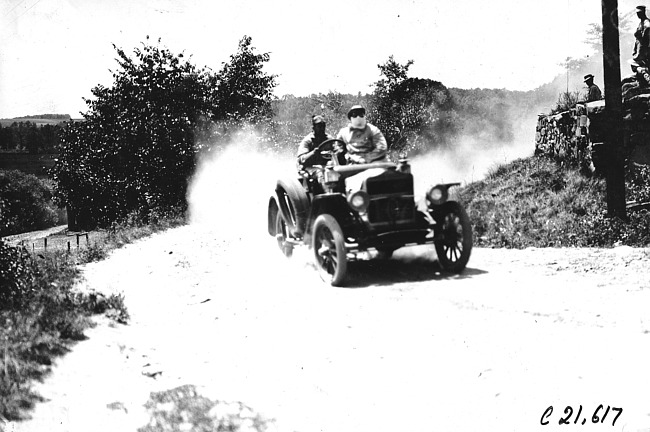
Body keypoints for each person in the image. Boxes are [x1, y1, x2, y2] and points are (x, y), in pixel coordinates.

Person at [633, 5, 650, 69]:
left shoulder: (646, 22)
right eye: (637, 13)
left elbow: (648, 27)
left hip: (644, 49)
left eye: (639, 13)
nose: (638, 15)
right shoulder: (641, 23)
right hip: (640, 48)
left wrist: (643, 36)